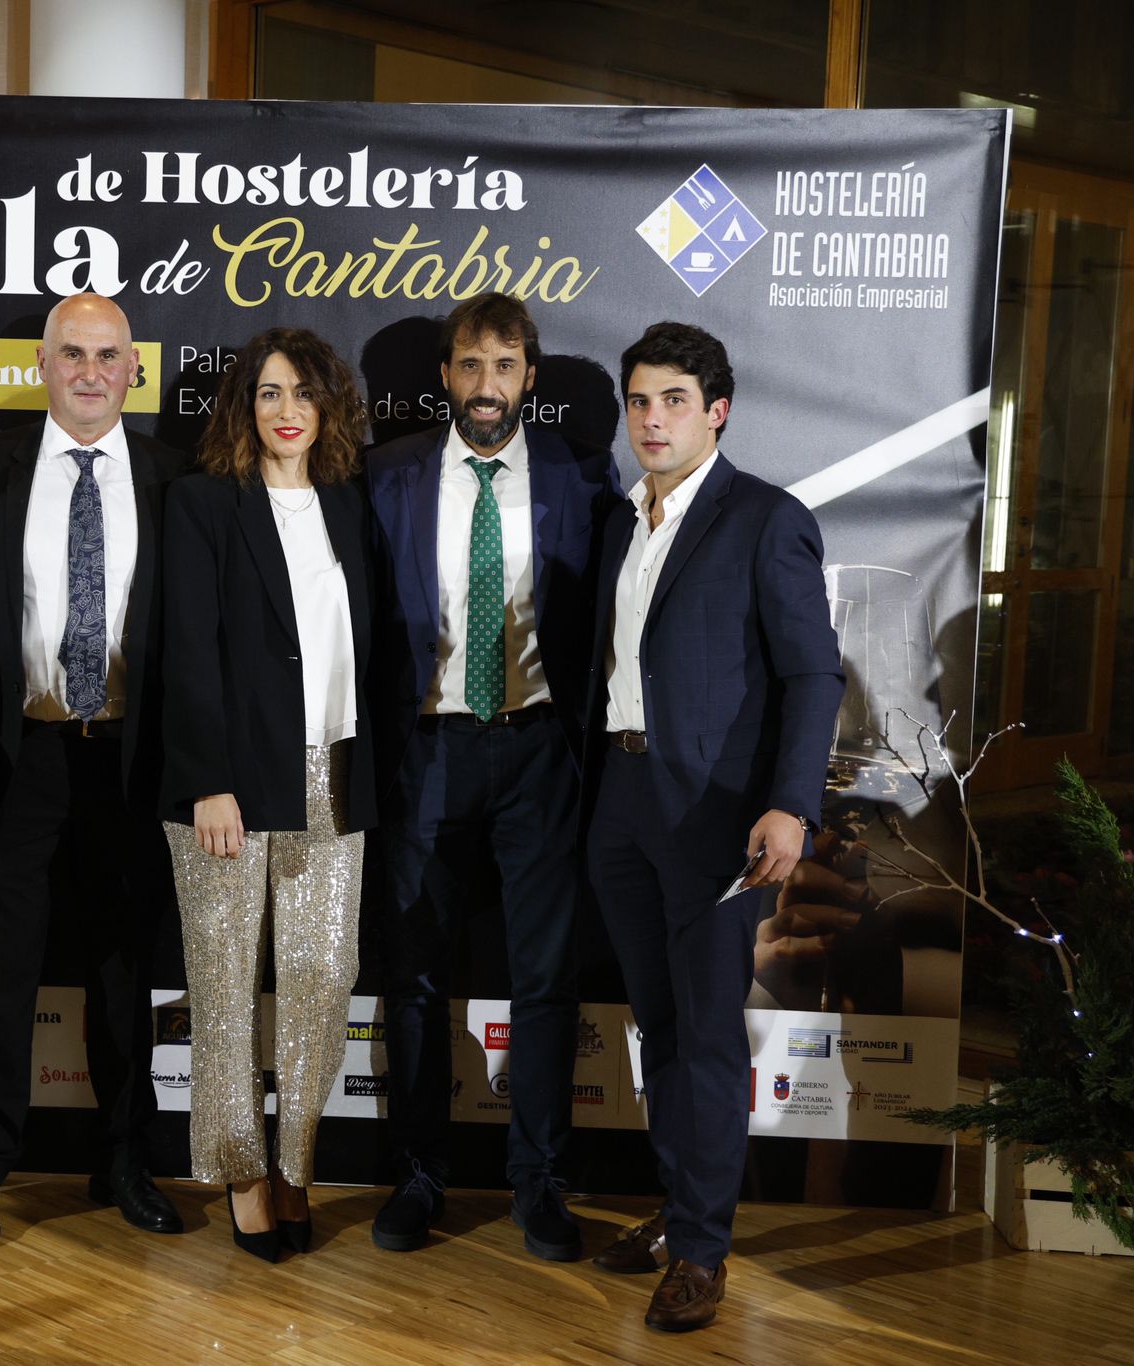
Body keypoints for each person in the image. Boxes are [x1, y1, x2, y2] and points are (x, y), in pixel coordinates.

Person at [0, 293, 188, 1245]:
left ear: (133, 367)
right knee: (1, 967)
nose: (91, 371)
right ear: (42, 363)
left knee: (121, 974)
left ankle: (126, 1163)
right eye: (73, 352)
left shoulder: (172, 478)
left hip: (129, 761)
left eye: (109, 354)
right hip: (17, 757)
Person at [582, 322, 843, 1332]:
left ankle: (699, 1250)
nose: (651, 419)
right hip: (617, 803)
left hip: (714, 820)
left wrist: (789, 804)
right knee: (659, 1027)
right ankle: (675, 1209)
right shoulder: (620, 521)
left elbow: (812, 672)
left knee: (702, 1041)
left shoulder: (764, 518)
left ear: (716, 410)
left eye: (673, 401)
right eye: (638, 401)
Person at [365, 293, 620, 1259]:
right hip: (424, 750)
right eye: (469, 367)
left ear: (529, 378)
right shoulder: (386, 476)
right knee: (417, 979)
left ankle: (539, 1183)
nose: (485, 386)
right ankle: (421, 1176)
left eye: (503, 366)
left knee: (545, 982)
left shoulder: (582, 480)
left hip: (536, 750)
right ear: (445, 378)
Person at [160, 328, 375, 1261]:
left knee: (323, 979)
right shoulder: (204, 503)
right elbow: (187, 648)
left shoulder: (351, 505)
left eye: (303, 394)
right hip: (229, 785)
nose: (286, 412)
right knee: (222, 985)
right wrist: (207, 780)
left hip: (336, 772)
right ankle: (242, 1174)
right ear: (243, 407)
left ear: (329, 406)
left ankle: (295, 1165)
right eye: (268, 394)